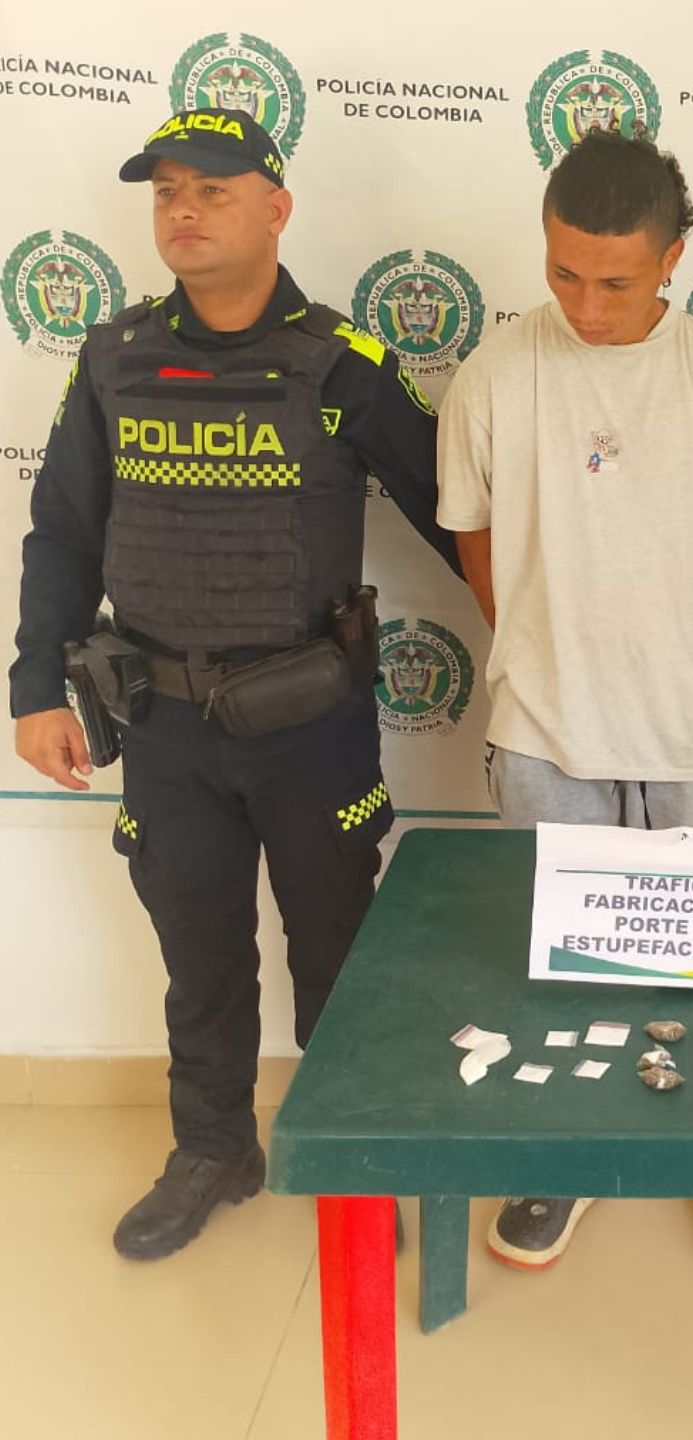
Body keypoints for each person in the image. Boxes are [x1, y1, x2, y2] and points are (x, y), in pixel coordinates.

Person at [9, 107, 457, 1259]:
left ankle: (354, 1157)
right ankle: (213, 1148)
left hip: (312, 728)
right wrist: (34, 685)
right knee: (199, 957)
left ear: (276, 208)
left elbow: (462, 520)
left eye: (212, 188)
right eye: (167, 190)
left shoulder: (341, 365)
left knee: (337, 955)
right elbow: (64, 533)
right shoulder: (113, 358)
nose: (185, 209)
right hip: (163, 728)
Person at [436, 127, 693, 1269]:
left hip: (689, 728)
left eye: (617, 283)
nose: (585, 306)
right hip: (545, 725)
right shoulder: (494, 374)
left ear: (673, 258)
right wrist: (546, 641)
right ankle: (563, 1159)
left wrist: (657, 634)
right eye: (564, 273)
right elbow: (473, 531)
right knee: (558, 965)